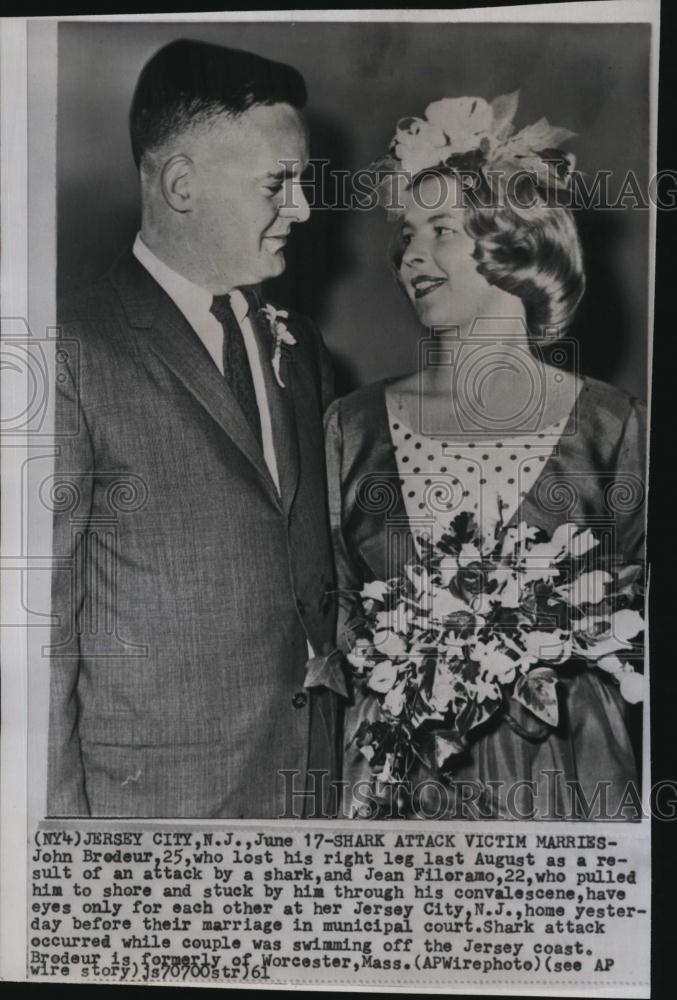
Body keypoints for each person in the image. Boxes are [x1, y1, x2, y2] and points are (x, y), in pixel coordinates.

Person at [325, 92, 646, 820]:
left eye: (440, 228)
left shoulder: (614, 425)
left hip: (565, 791)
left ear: (510, 236)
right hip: (394, 799)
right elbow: (339, 611)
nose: (410, 255)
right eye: (405, 233)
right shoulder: (349, 427)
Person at [47, 38, 342, 818]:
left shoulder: (300, 345)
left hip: (306, 795)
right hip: (155, 815)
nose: (303, 210)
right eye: (278, 184)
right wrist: (63, 845)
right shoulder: (68, 350)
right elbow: (35, 631)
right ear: (181, 184)